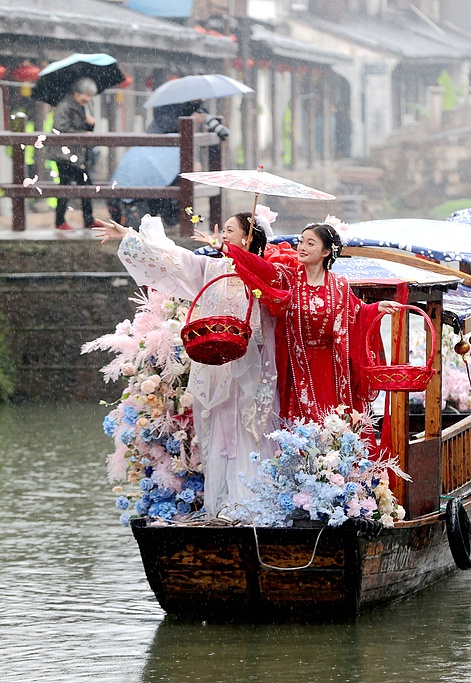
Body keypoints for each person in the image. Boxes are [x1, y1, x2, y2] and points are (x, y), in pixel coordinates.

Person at [92, 207, 280, 517]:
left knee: (250, 427)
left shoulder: (265, 272)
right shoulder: (212, 269)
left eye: (231, 231)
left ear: (248, 238)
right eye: (224, 230)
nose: (224, 235)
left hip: (251, 364)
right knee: (219, 429)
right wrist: (129, 235)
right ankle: (224, 505)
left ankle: (255, 503)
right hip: (217, 361)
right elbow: (172, 257)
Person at [195, 217, 401, 423]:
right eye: (301, 242)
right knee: (300, 426)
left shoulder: (339, 285)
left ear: (326, 252)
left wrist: (376, 308)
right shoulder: (288, 279)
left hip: (331, 367)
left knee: (334, 422)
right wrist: (225, 248)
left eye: (310, 243)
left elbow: (357, 313)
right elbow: (259, 267)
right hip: (296, 365)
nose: (302, 247)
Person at [108, 99, 205, 227]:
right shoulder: (168, 104)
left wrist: (198, 110)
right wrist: (190, 119)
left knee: (171, 186)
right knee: (168, 187)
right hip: (163, 149)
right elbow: (165, 122)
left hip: (173, 152)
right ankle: (173, 217)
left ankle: (173, 217)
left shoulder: (191, 103)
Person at [50, 78, 97, 231]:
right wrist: (82, 133)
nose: (88, 99)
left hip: (79, 154)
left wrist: (90, 125)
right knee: (65, 187)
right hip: (64, 154)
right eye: (86, 95)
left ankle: (88, 220)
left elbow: (86, 130)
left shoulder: (83, 107)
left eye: (90, 96)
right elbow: (61, 129)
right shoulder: (64, 107)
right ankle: (60, 221)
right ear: (76, 94)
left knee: (86, 185)